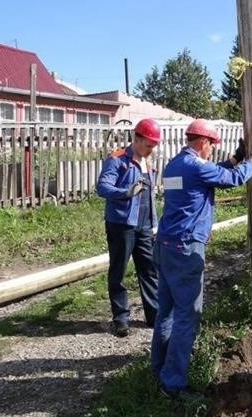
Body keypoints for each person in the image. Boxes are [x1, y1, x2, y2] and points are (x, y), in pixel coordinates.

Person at [151, 118, 252, 400]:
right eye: (211, 147)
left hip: (165, 247)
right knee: (187, 317)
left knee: (165, 312)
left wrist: (235, 158)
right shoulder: (196, 166)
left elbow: (211, 172)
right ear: (204, 142)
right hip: (185, 251)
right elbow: (230, 179)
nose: (211, 152)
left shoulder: (175, 165)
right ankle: (173, 384)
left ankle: (159, 370)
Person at [96, 118, 162, 338]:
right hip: (121, 225)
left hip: (144, 226)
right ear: (136, 139)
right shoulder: (117, 160)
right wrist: (125, 193)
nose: (151, 150)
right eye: (148, 145)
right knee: (119, 272)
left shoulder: (148, 162)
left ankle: (154, 316)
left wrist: (155, 222)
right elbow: (103, 186)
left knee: (149, 270)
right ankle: (121, 319)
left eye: (154, 146)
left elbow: (152, 193)